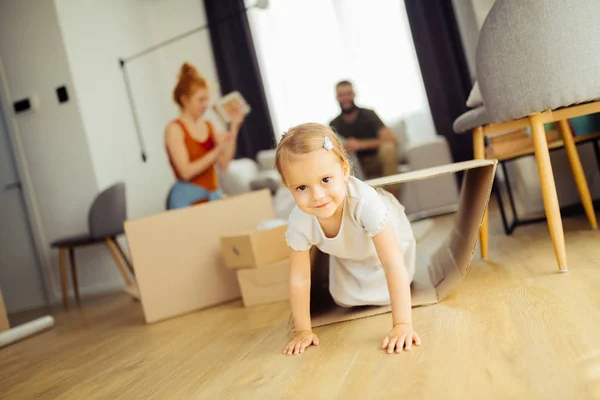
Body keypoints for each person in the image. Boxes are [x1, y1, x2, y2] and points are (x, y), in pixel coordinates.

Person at [275, 122, 420, 356]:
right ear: (288, 187)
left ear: (344, 170)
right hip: (351, 254)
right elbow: (300, 278)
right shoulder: (300, 220)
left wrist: (402, 324)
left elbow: (393, 265)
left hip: (390, 242)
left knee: (396, 279)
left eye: (325, 180)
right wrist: (302, 330)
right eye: (302, 187)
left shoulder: (365, 203)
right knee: (343, 299)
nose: (317, 196)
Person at [165, 62, 245, 209]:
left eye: (207, 99)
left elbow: (224, 163)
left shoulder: (208, 126)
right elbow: (186, 172)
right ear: (184, 100)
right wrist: (217, 150)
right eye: (201, 99)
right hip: (187, 201)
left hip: (212, 197)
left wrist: (234, 127)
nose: (205, 104)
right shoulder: (174, 129)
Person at [329, 80, 399, 184]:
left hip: (375, 161)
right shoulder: (334, 124)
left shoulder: (369, 115)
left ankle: (393, 197)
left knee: (388, 148)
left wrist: (360, 145)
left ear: (353, 95)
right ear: (337, 98)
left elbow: (392, 140)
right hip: (353, 165)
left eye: (348, 94)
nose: (345, 98)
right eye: (341, 95)